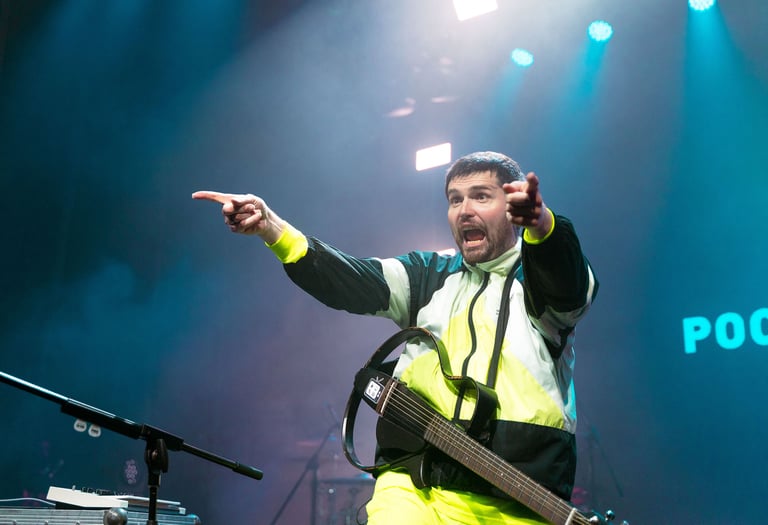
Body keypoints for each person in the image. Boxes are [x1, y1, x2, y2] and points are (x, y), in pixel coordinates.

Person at [193, 151, 598, 525]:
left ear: (512, 208)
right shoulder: (427, 275)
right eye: (455, 200)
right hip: (413, 487)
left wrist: (543, 226)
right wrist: (272, 229)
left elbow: (566, 281)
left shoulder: (541, 284)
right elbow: (348, 280)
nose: (464, 210)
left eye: (481, 196)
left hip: (516, 498)